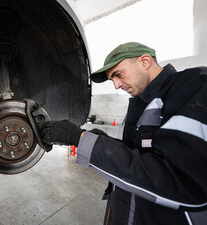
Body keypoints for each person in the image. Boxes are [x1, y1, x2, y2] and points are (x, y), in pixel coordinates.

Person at [40, 42, 207, 225]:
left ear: (144, 61)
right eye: (112, 80)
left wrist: (79, 139)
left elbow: (181, 181)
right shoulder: (143, 100)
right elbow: (143, 155)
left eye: (118, 75)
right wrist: (101, 140)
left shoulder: (194, 84)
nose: (116, 85)